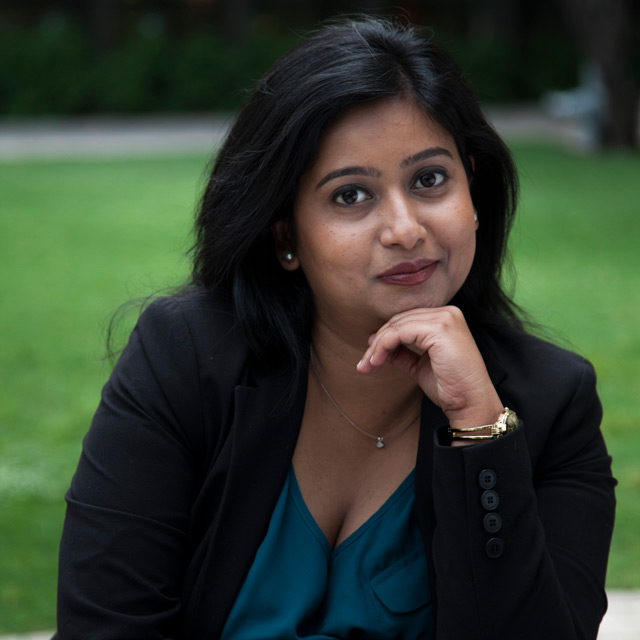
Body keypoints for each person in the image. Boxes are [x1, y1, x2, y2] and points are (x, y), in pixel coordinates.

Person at [55, 17, 616, 640]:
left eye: (429, 180)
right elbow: (105, 628)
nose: (404, 228)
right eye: (350, 196)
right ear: (286, 236)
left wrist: (479, 428)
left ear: (473, 193)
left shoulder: (551, 403)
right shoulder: (185, 357)